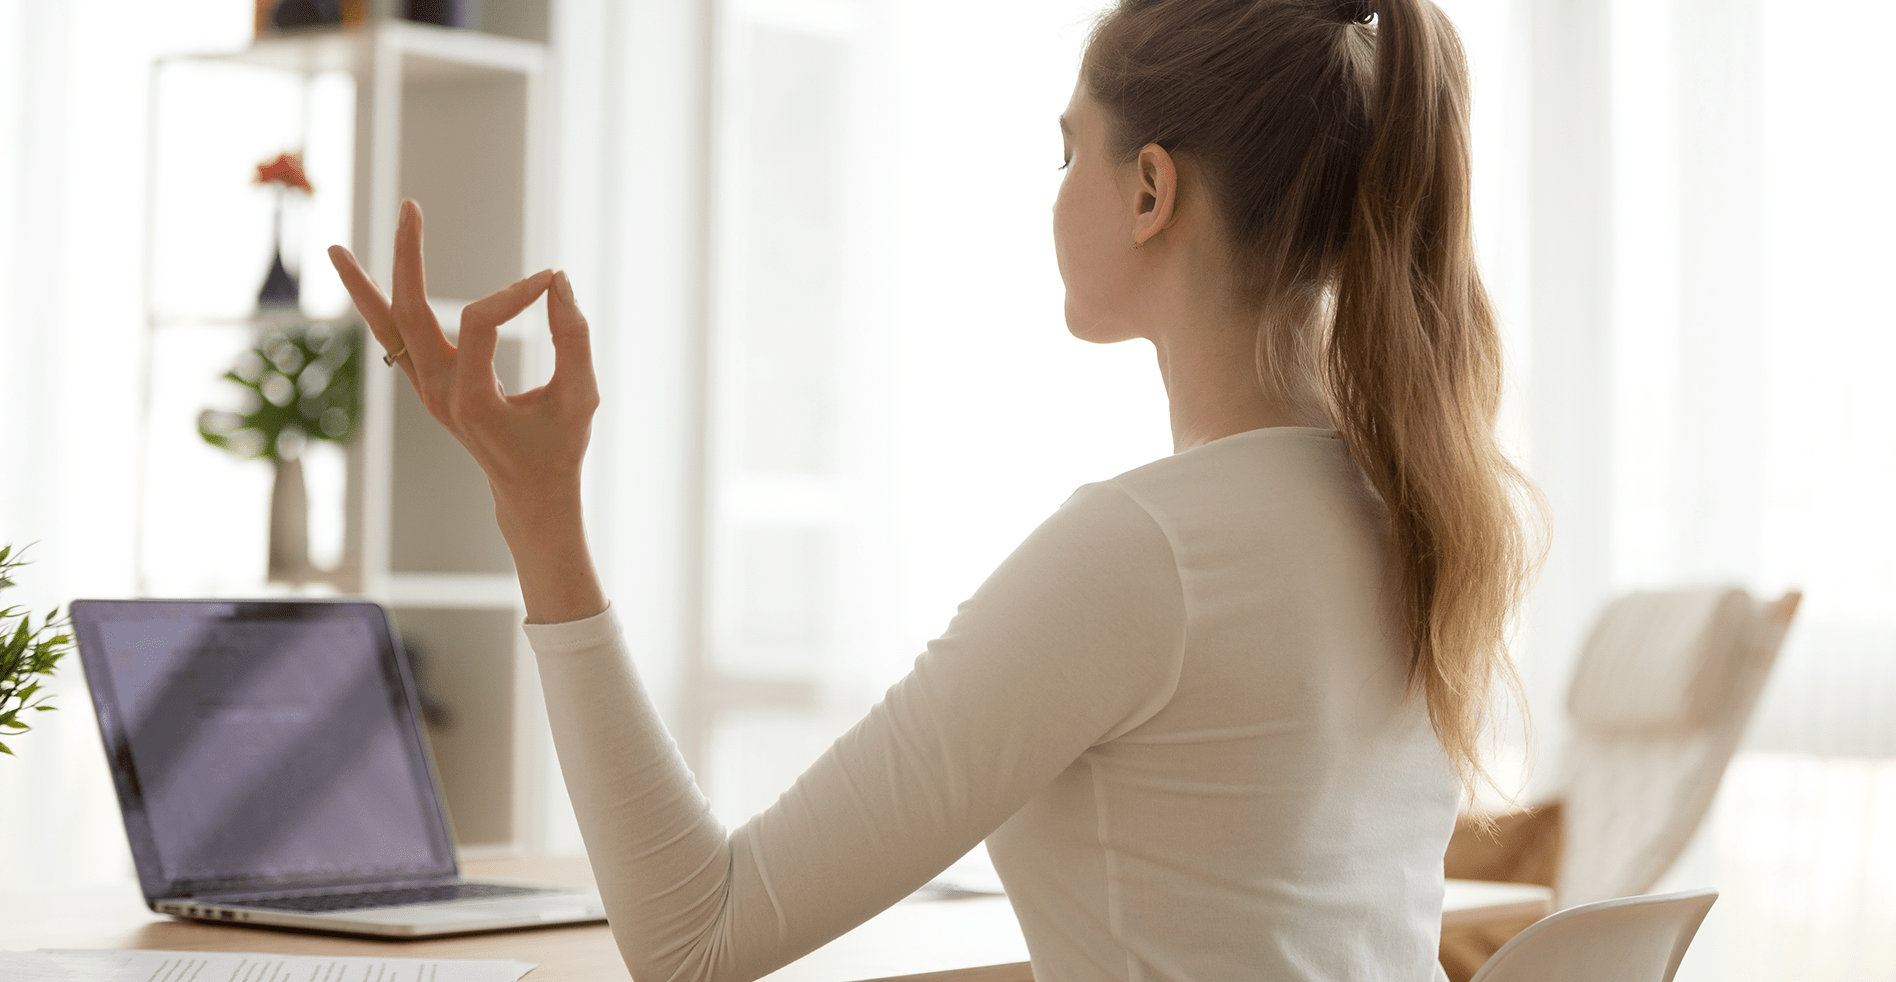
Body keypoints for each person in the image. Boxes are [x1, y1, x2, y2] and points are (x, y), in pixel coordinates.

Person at [328, 0, 1539, 979]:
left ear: (1150, 192)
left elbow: (697, 937)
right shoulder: (1411, 518)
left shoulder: (1144, 553)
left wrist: (537, 508)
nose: (1057, 187)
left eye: (1071, 148)